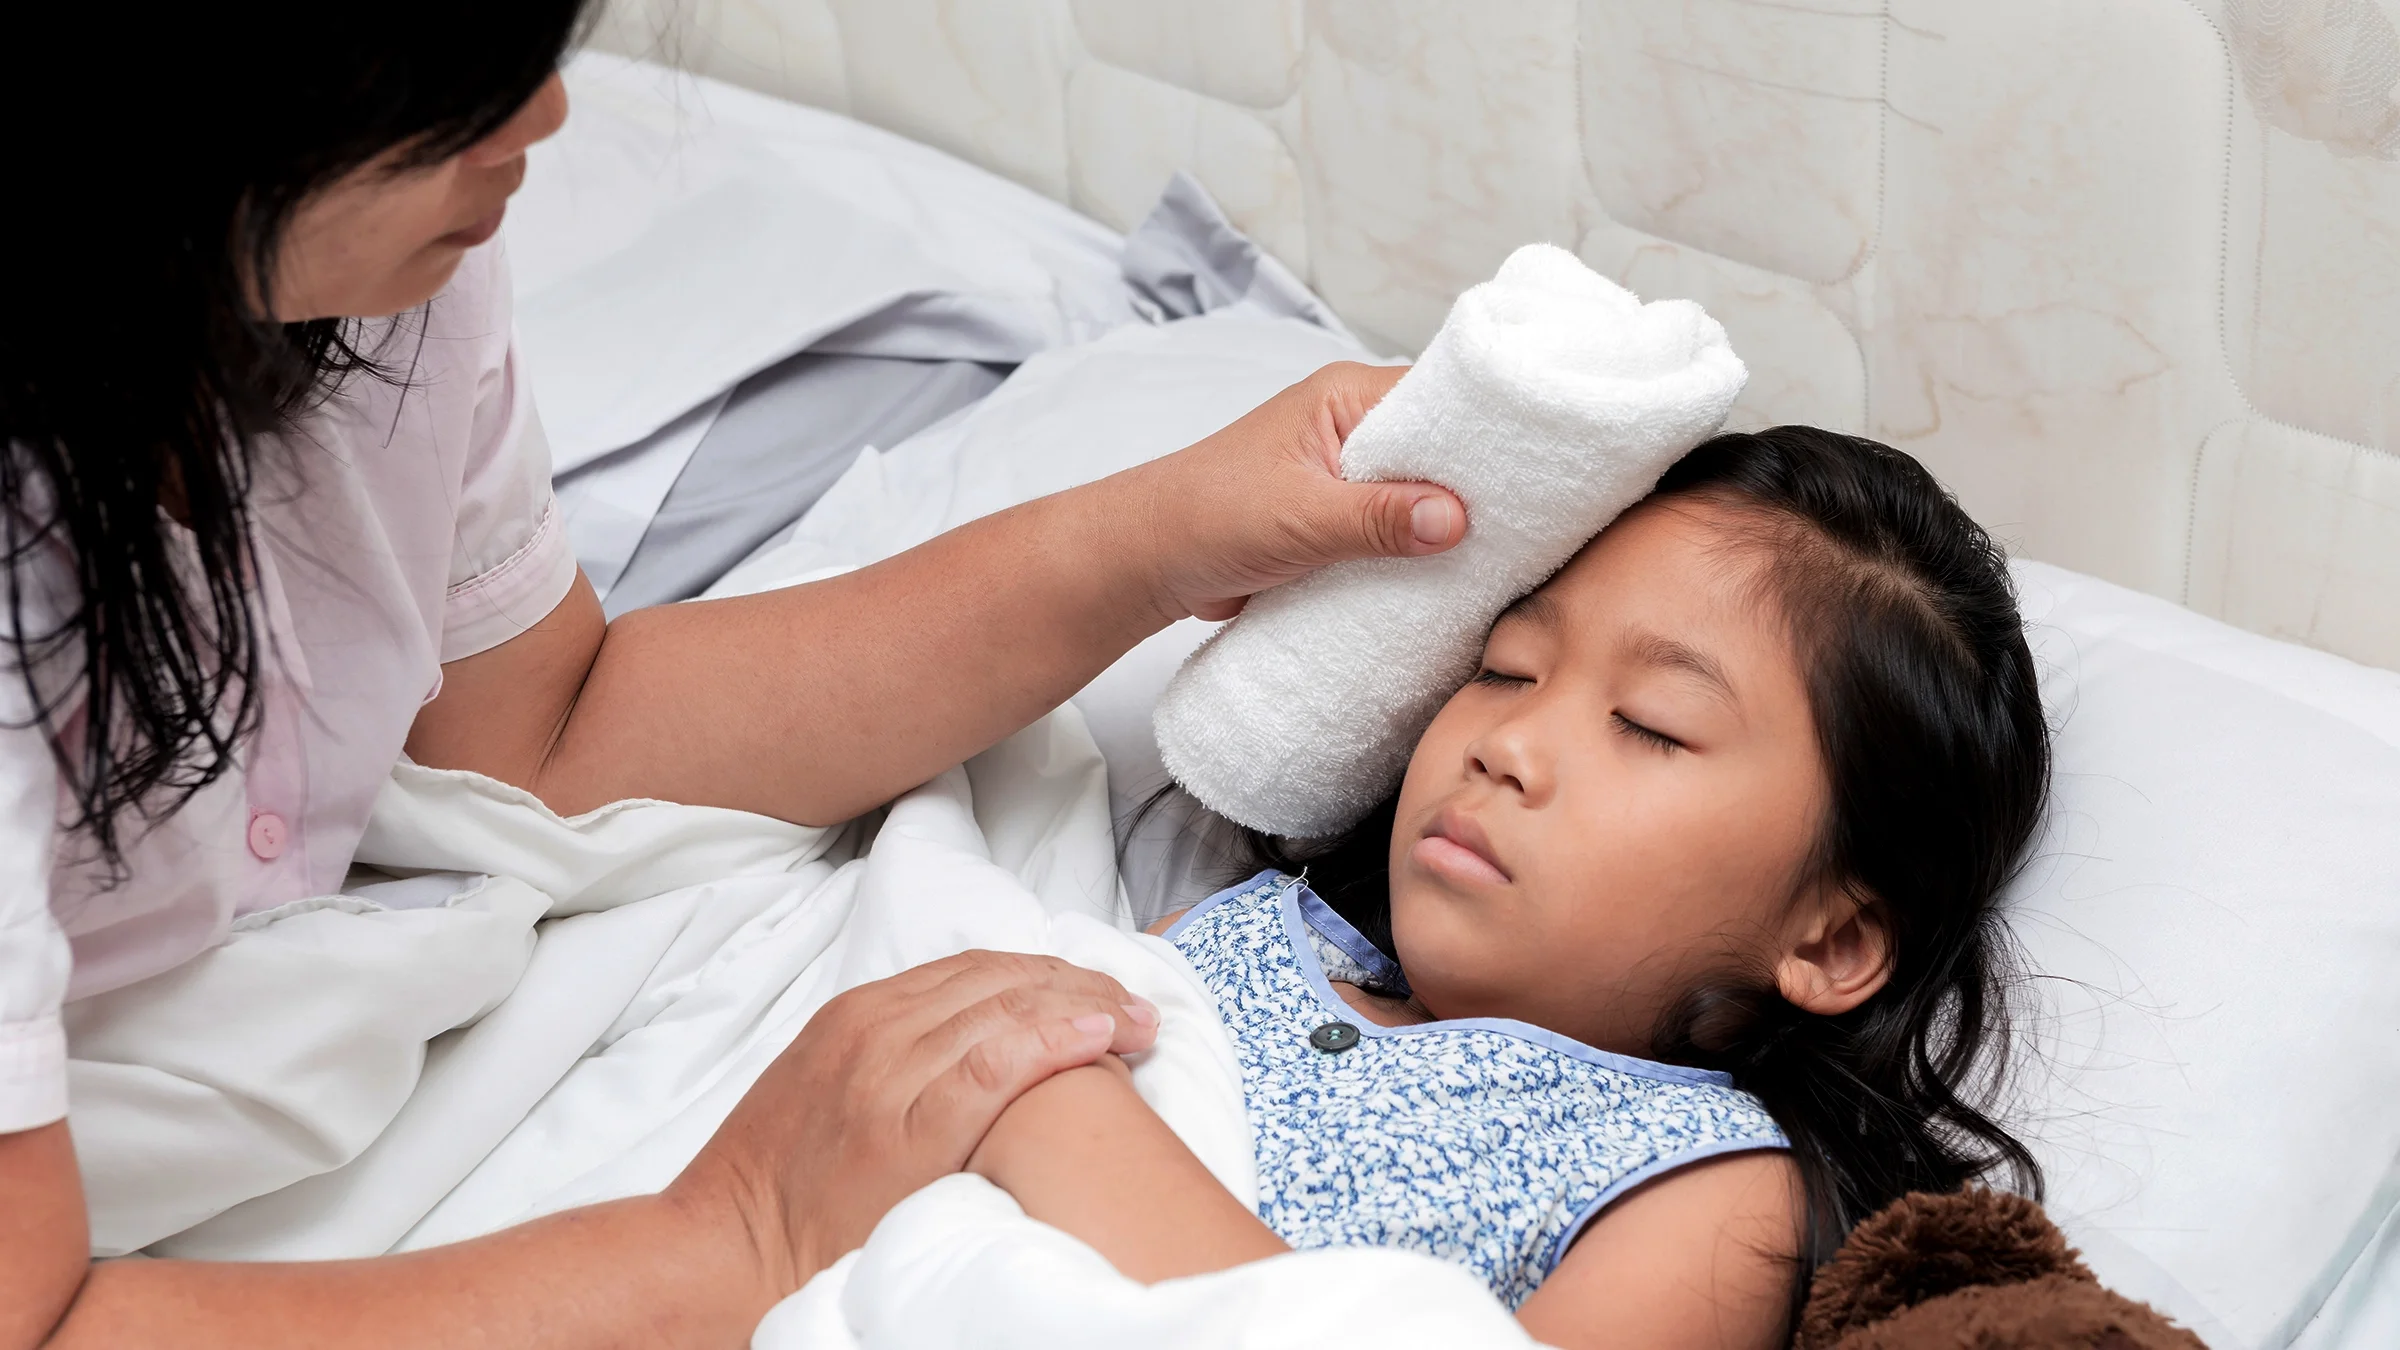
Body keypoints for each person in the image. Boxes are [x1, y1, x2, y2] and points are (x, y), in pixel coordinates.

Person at [0, 7, 1467, 1347]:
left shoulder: (381, 284)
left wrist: (1149, 541)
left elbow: (544, 729)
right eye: (448, 85)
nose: (542, 125)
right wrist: (733, 1229)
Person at [954, 428, 2051, 1350]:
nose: (1508, 741)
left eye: (1650, 725)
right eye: (1505, 670)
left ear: (1832, 942)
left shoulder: (1698, 1187)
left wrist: (1054, 1118)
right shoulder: (1238, 935)